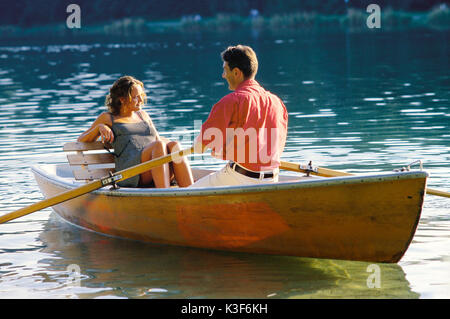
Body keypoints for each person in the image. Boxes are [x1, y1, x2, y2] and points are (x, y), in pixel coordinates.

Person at [191, 45, 288, 187]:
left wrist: (197, 146)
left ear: (236, 73)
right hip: (272, 178)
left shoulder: (231, 102)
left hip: (241, 178)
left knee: (185, 196)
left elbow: (201, 146)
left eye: (225, 70)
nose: (223, 75)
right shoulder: (277, 102)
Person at [77, 75, 193, 188]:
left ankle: (192, 191)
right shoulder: (108, 117)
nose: (141, 100)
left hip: (154, 166)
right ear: (122, 99)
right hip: (130, 172)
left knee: (175, 145)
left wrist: (174, 148)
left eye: (141, 95)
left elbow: (158, 139)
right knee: (159, 145)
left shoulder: (143, 115)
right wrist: (99, 128)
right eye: (136, 97)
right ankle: (164, 193)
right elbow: (81, 140)